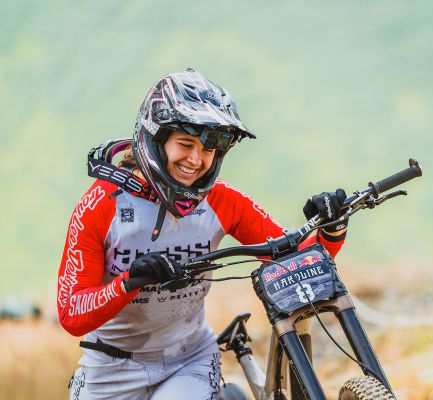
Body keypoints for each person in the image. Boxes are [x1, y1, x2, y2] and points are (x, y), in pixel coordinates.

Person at [57, 68, 348, 400]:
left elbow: (296, 261)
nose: (196, 160)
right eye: (185, 144)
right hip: (110, 368)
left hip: (188, 360)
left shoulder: (223, 201)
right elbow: (72, 313)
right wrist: (129, 281)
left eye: (208, 149)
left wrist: (331, 228)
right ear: (156, 139)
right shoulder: (100, 204)